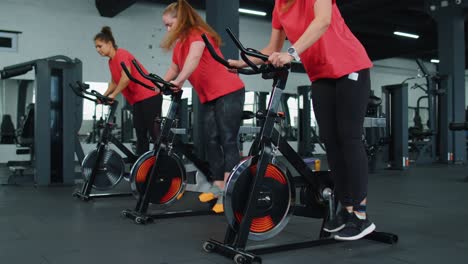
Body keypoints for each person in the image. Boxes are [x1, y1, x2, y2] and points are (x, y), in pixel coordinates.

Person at [229, 0, 375, 241]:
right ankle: (346, 211)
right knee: (331, 140)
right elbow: (272, 48)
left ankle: (360, 216)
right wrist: (241, 63)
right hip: (321, 74)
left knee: (348, 138)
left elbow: (322, 22)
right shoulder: (279, 6)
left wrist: (291, 53)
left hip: (351, 65)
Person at [161, 0, 245, 213]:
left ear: (181, 20)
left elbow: (194, 58)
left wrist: (179, 81)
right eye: (166, 26)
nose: (168, 29)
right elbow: (174, 66)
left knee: (227, 139)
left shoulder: (198, 33)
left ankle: (229, 190)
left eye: (170, 24)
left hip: (229, 91)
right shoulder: (179, 43)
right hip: (209, 96)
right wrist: (158, 84)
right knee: (210, 140)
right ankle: (217, 186)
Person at [94, 26, 162, 156]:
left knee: (155, 134)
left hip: (150, 96)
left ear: (109, 44)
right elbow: (114, 82)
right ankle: (142, 167)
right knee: (141, 134)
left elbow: (126, 79)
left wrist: (113, 95)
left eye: (100, 46)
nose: (98, 50)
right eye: (96, 47)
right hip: (138, 99)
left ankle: (163, 164)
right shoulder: (111, 61)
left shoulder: (121, 54)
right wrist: (103, 96)